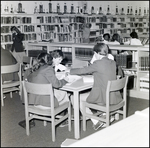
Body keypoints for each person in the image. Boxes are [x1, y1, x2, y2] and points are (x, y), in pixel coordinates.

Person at [66, 43, 122, 130]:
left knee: (74, 97)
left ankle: (95, 120)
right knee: (89, 92)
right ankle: (104, 114)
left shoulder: (98, 63)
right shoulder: (113, 62)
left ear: (97, 53)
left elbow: (83, 70)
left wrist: (69, 71)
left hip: (103, 97)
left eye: (94, 53)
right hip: (114, 96)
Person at [19, 50, 70, 128]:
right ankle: (62, 119)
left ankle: (57, 117)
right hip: (46, 104)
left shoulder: (33, 69)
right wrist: (65, 80)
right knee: (66, 94)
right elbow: (57, 84)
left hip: (34, 103)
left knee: (54, 92)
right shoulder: (48, 69)